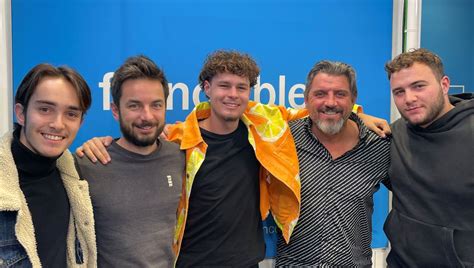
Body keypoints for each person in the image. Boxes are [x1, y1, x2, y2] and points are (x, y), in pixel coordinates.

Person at [76, 50, 389, 267]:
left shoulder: (264, 129)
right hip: (190, 263)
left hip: (247, 263)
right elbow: (136, 145)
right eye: (224, 85)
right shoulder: (178, 139)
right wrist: (101, 143)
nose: (232, 94)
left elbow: (316, 109)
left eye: (242, 87)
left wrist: (361, 115)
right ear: (206, 89)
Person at [275, 61, 390, 267]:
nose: (330, 102)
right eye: (320, 94)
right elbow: (242, 111)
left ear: (353, 99)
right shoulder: (283, 138)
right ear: (306, 99)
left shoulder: (380, 146)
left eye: (340, 94)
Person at [74, 55, 185, 267]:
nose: (147, 116)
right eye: (134, 106)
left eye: (156, 105)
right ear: (115, 110)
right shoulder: (87, 164)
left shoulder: (182, 157)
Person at [384, 48, 474, 267]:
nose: (409, 98)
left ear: (444, 84)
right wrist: (357, 117)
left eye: (418, 86)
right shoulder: (394, 134)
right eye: (399, 91)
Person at [0, 64, 96, 267]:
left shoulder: (78, 176)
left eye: (71, 114)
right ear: (21, 113)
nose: (58, 124)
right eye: (45, 109)